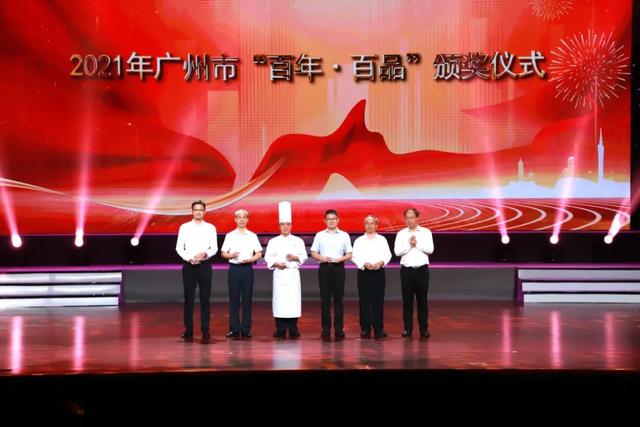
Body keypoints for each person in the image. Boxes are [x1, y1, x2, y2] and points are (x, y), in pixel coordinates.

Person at [175, 200, 218, 342]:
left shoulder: (210, 228)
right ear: (192, 211)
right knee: (189, 299)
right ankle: (188, 330)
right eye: (196, 210)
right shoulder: (184, 227)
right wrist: (189, 258)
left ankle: (205, 330)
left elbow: (214, 248)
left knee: (205, 299)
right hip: (189, 266)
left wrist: (204, 254)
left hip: (205, 266)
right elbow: (179, 247)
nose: (198, 212)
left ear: (204, 212)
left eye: (201, 210)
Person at [264, 201, 308, 339]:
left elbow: (304, 256)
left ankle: (293, 328)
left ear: (291, 226)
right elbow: (267, 257)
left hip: (292, 274)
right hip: (279, 274)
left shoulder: (298, 241)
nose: (285, 227)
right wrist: (276, 263)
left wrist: (295, 257)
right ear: (279, 226)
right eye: (283, 224)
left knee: (293, 301)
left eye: (288, 224)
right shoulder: (273, 241)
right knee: (280, 302)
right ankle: (281, 329)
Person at [310, 209, 352, 339]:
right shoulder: (320, 235)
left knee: (339, 299)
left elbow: (349, 253)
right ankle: (325, 329)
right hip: (324, 268)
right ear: (325, 221)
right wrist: (321, 258)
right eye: (329, 219)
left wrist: (341, 258)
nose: (331, 221)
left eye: (333, 219)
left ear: (338, 220)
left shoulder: (344, 235)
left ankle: (339, 329)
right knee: (325, 300)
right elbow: (313, 252)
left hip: (339, 268)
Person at [220, 209, 263, 339]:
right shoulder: (230, 235)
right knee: (233, 299)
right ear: (235, 219)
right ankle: (234, 328)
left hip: (247, 269)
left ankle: (245, 329)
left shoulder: (252, 236)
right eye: (239, 217)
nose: (242, 220)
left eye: (244, 217)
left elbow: (259, 253)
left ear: (247, 219)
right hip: (234, 269)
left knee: (247, 299)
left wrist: (251, 259)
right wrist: (231, 255)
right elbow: (223, 253)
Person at [394, 208, 434, 338]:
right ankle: (407, 329)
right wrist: (409, 246)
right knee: (407, 301)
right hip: (406, 271)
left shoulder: (426, 232)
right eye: (407, 218)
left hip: (421, 270)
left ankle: (424, 329)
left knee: (422, 301)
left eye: (412, 217)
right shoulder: (401, 234)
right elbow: (397, 252)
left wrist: (416, 244)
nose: (409, 220)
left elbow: (430, 250)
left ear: (417, 218)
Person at [351, 215, 392, 339]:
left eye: (372, 223)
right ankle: (365, 327)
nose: (369, 226)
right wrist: (364, 263)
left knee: (378, 300)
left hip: (378, 272)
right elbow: (354, 256)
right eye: (367, 223)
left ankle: (379, 327)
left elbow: (388, 255)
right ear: (364, 225)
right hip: (364, 273)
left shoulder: (382, 240)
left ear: (376, 225)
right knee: (364, 300)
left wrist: (381, 262)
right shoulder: (359, 241)